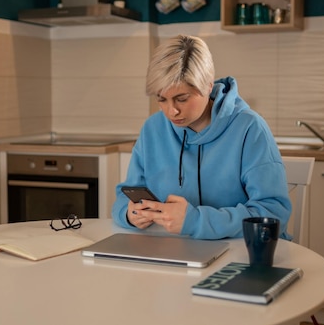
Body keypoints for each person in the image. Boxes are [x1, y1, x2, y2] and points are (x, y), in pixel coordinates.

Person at [111, 35, 291, 240]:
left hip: (241, 253)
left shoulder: (250, 128)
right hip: (171, 252)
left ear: (207, 85)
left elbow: (274, 214)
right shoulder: (152, 128)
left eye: (182, 99)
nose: (172, 111)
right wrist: (129, 214)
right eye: (162, 99)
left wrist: (195, 221)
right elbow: (125, 195)